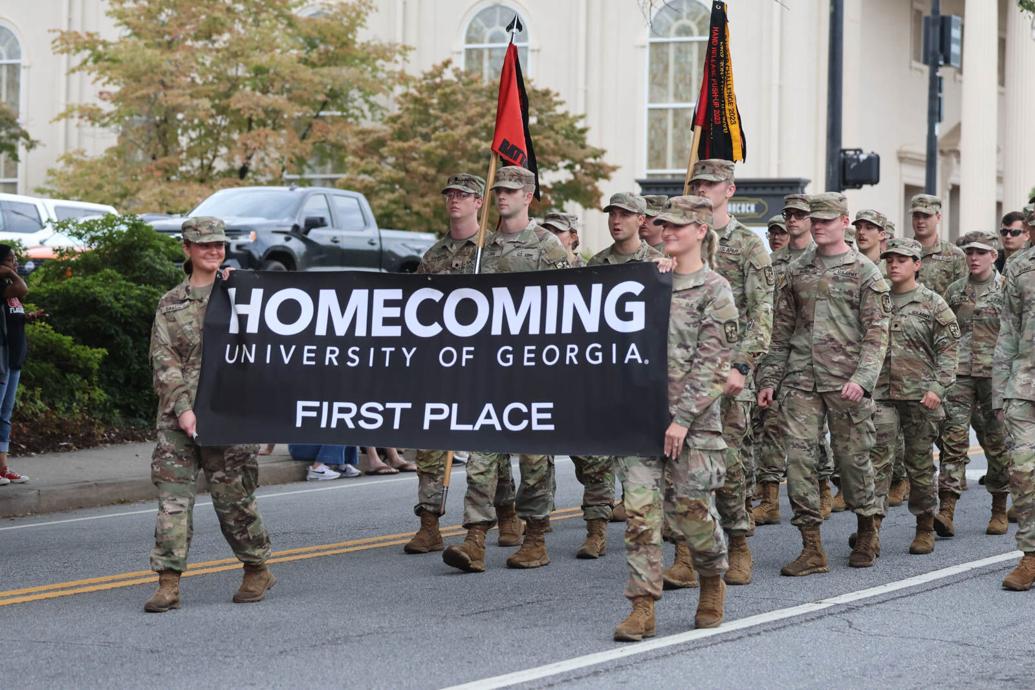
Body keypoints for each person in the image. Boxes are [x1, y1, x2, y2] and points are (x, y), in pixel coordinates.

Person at [613, 195, 734, 641]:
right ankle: (642, 606)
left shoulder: (715, 290)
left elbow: (713, 364)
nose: (668, 232)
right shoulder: (648, 283)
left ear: (700, 231)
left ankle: (711, 581)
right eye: (664, 225)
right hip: (645, 420)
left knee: (693, 515)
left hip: (694, 425)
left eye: (678, 226)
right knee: (642, 516)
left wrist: (682, 419)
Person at [442, 166, 569, 573]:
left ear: (528, 196)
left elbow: (578, 303)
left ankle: (535, 536)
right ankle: (475, 537)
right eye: (498, 189)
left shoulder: (548, 247)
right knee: (481, 454)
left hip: (534, 368)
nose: (502, 196)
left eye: (511, 190)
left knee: (534, 457)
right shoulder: (483, 248)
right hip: (489, 369)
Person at [144, 217, 273, 613]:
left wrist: (269, 415)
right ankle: (168, 582)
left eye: (218, 244)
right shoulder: (170, 303)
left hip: (229, 418)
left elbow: (270, 352)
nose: (214, 251)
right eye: (204, 245)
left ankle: (256, 568)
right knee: (173, 503)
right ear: (186, 249)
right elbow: (163, 361)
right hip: (177, 422)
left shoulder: (242, 294)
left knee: (234, 501)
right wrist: (184, 410)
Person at [758, 192, 889, 575]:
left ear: (844, 223)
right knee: (799, 461)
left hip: (846, 382)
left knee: (853, 460)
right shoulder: (796, 270)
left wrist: (863, 380)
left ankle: (867, 529)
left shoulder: (865, 272)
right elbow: (781, 332)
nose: (818, 225)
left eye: (827, 220)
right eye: (815, 220)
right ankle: (811, 547)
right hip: (801, 379)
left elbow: (877, 334)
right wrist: (770, 378)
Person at [406, 173, 522, 555]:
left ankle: (505, 513)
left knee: (489, 445)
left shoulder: (494, 251)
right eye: (450, 195)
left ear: (479, 203)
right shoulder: (433, 256)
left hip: (485, 365)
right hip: (440, 365)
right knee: (430, 444)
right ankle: (429, 523)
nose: (455, 200)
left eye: (464, 195)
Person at [676, 159, 772, 588]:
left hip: (728, 376)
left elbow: (762, 313)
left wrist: (742, 365)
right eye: (696, 182)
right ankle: (684, 553)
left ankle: (737, 543)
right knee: (679, 465)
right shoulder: (676, 243)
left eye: (710, 184)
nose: (701, 188)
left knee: (727, 466)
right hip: (681, 374)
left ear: (729, 191)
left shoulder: (748, 246)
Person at [562, 193, 664, 559]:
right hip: (603, 374)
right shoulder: (598, 264)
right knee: (595, 456)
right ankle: (596, 530)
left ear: (642, 220)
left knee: (643, 459)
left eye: (625, 214)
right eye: (612, 214)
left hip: (644, 376)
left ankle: (649, 529)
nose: (616, 220)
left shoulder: (659, 264)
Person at [867, 238, 958, 556]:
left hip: (921, 398)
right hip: (881, 395)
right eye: (890, 258)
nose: (894, 264)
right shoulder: (877, 299)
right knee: (876, 464)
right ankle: (870, 531)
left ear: (917, 264)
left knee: (919, 466)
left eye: (902, 259)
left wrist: (937, 388)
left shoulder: (933, 303)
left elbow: (949, 351)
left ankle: (924, 528)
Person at [752, 195, 836, 525]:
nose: (793, 220)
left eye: (800, 215)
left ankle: (823, 487)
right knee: (768, 425)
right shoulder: (772, 262)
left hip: (810, 355)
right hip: (775, 350)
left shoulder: (820, 259)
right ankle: (770, 497)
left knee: (810, 432)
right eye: (789, 214)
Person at [936, 231, 1010, 537]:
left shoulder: (1007, 290)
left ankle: (999, 509)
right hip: (960, 376)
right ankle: (946, 511)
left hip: (995, 377)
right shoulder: (955, 291)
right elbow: (942, 331)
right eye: (970, 253)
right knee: (952, 442)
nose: (974, 258)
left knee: (996, 444)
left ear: (993, 256)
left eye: (981, 253)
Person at [993, 205, 1035, 591]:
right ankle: (1030, 555)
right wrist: (999, 392)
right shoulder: (1019, 270)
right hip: (1024, 383)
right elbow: (1007, 332)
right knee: (1022, 471)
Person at [0, 245, 32, 485]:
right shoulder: (4, 286)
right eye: (11, 260)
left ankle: (3, 468)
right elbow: (23, 287)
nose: (15, 264)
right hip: (2, 361)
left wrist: (27, 317)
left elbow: (13, 315)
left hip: (14, 360)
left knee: (5, 416)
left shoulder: (10, 292)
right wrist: (8, 273)